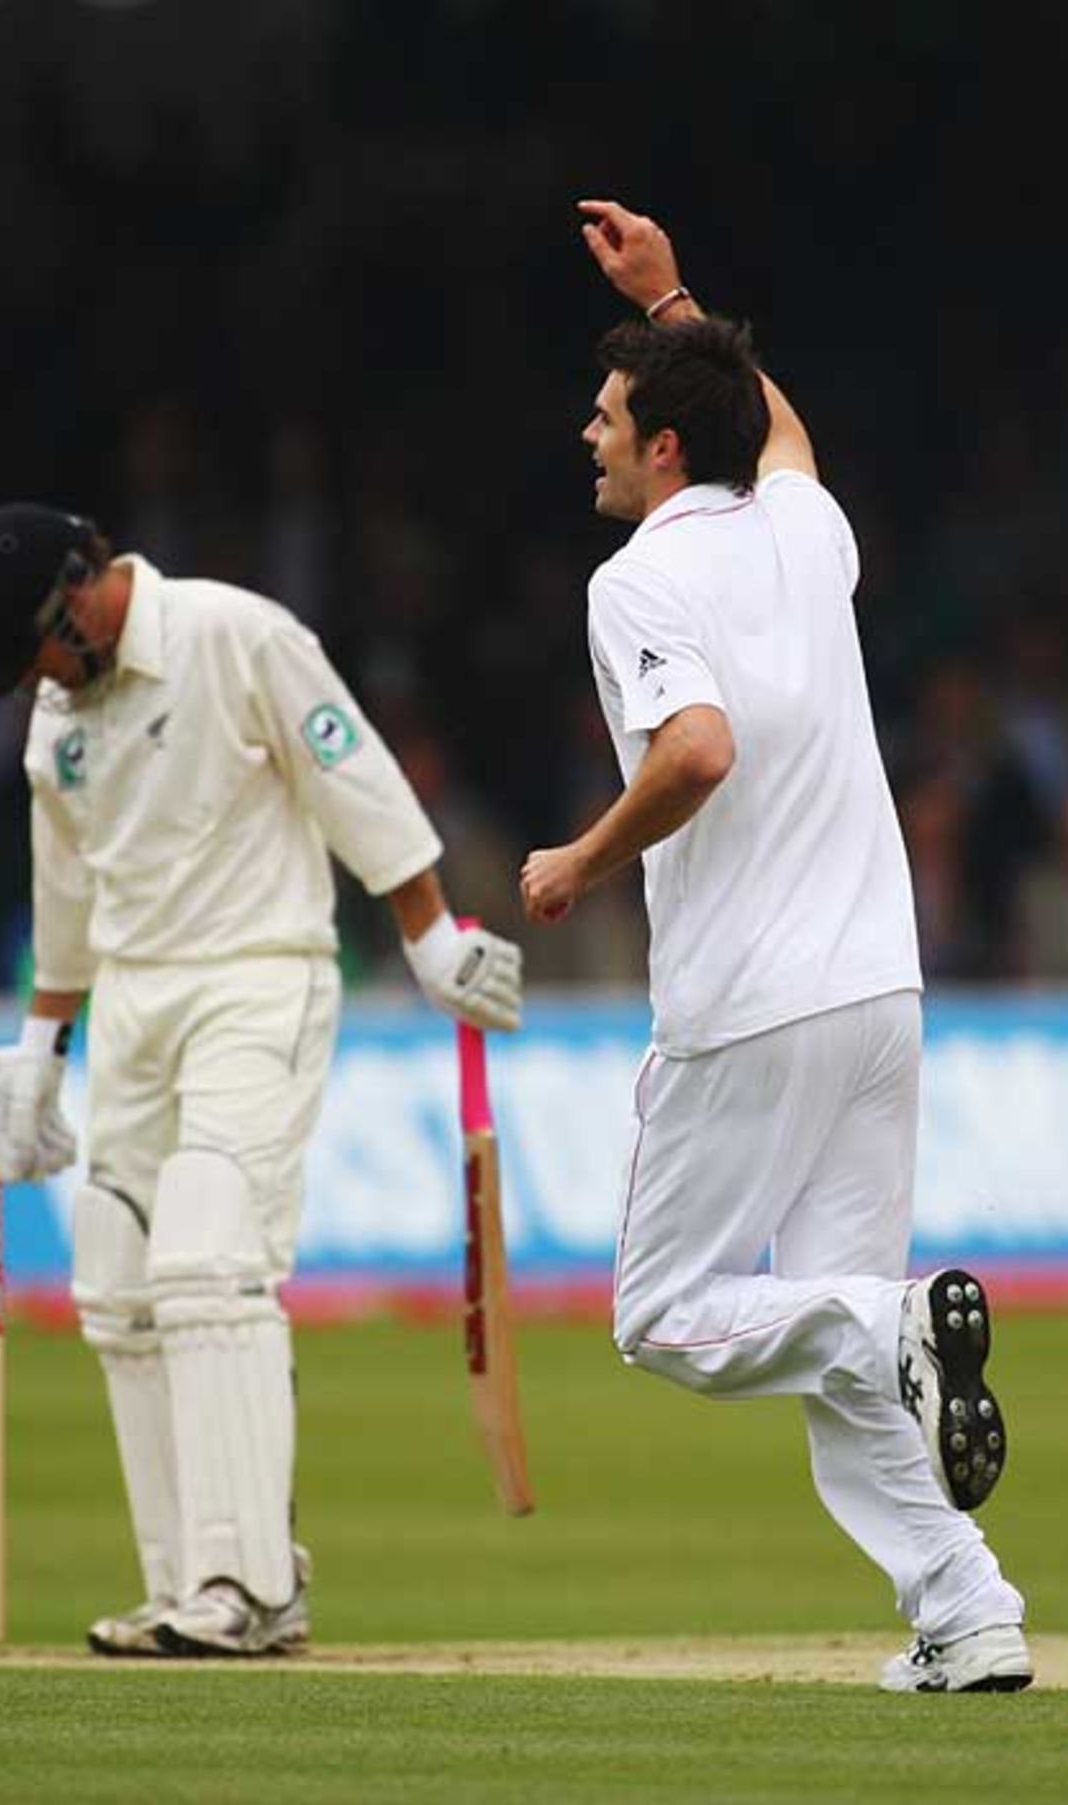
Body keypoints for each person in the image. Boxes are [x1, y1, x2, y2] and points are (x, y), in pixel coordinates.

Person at [520, 199, 1031, 1693]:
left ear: (667, 449)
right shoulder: (802, 525)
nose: (589, 433)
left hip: (746, 1003)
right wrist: (677, 301)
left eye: (612, 415)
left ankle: (891, 1325)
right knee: (842, 1353)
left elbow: (695, 752)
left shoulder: (640, 582)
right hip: (880, 987)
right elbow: (779, 434)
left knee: (667, 1317)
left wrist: (578, 863)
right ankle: (968, 1612)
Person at [0, 503, 522, 1657]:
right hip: (135, 1000)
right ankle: (183, 1583)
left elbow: (351, 776)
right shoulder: (57, 717)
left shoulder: (228, 632)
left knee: (208, 1259)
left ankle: (250, 1581)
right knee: (114, 1282)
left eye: (34, 649)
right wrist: (38, 1045)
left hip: (260, 976)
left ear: (74, 591)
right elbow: (66, 893)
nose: (31, 682)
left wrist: (428, 939)